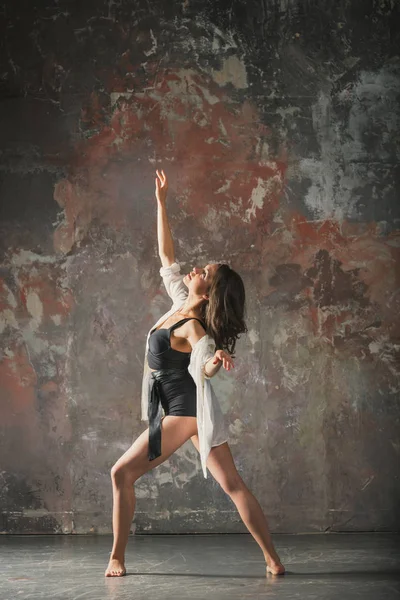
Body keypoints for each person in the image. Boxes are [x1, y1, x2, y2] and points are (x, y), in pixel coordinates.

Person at [105, 170, 285, 578]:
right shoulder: (182, 303)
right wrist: (162, 203)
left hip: (182, 412)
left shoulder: (194, 328)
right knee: (233, 485)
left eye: (203, 271)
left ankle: (117, 556)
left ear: (209, 289)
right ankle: (273, 560)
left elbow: (201, 366)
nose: (194, 269)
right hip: (186, 409)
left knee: (121, 473)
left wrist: (215, 360)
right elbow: (167, 257)